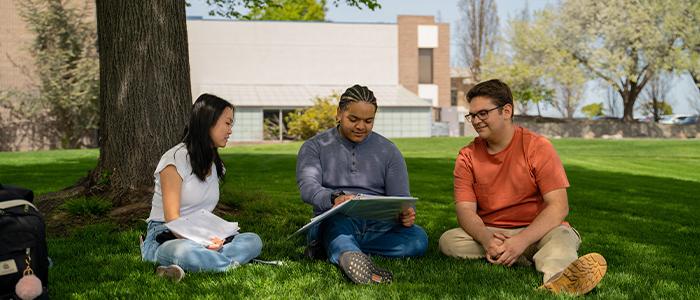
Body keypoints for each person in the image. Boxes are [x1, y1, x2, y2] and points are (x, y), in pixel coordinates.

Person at [438, 79, 607, 296]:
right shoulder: (467, 156)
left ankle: (559, 279)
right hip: (494, 233)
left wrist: (521, 241)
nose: (476, 121)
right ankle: (522, 256)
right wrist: (486, 239)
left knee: (562, 237)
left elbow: (558, 207)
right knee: (449, 241)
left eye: (483, 114)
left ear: (506, 111)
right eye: (472, 115)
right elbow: (464, 211)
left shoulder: (538, 147)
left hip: (538, 231)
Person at [296, 84, 428, 284]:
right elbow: (308, 188)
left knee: (418, 238)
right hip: (336, 219)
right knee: (337, 224)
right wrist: (334, 198)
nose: (361, 127)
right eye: (354, 119)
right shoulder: (314, 147)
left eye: (368, 121)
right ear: (339, 113)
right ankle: (346, 251)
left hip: (378, 225)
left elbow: (401, 197)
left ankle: (339, 250)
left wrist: (405, 213)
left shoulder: (389, 150)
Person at [140, 94, 263, 282]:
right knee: (186, 251)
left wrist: (212, 238)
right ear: (208, 122)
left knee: (253, 240)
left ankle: (196, 265)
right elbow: (172, 219)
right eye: (227, 123)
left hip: (202, 233)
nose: (230, 130)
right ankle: (226, 265)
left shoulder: (215, 164)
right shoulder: (174, 160)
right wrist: (202, 242)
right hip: (167, 236)